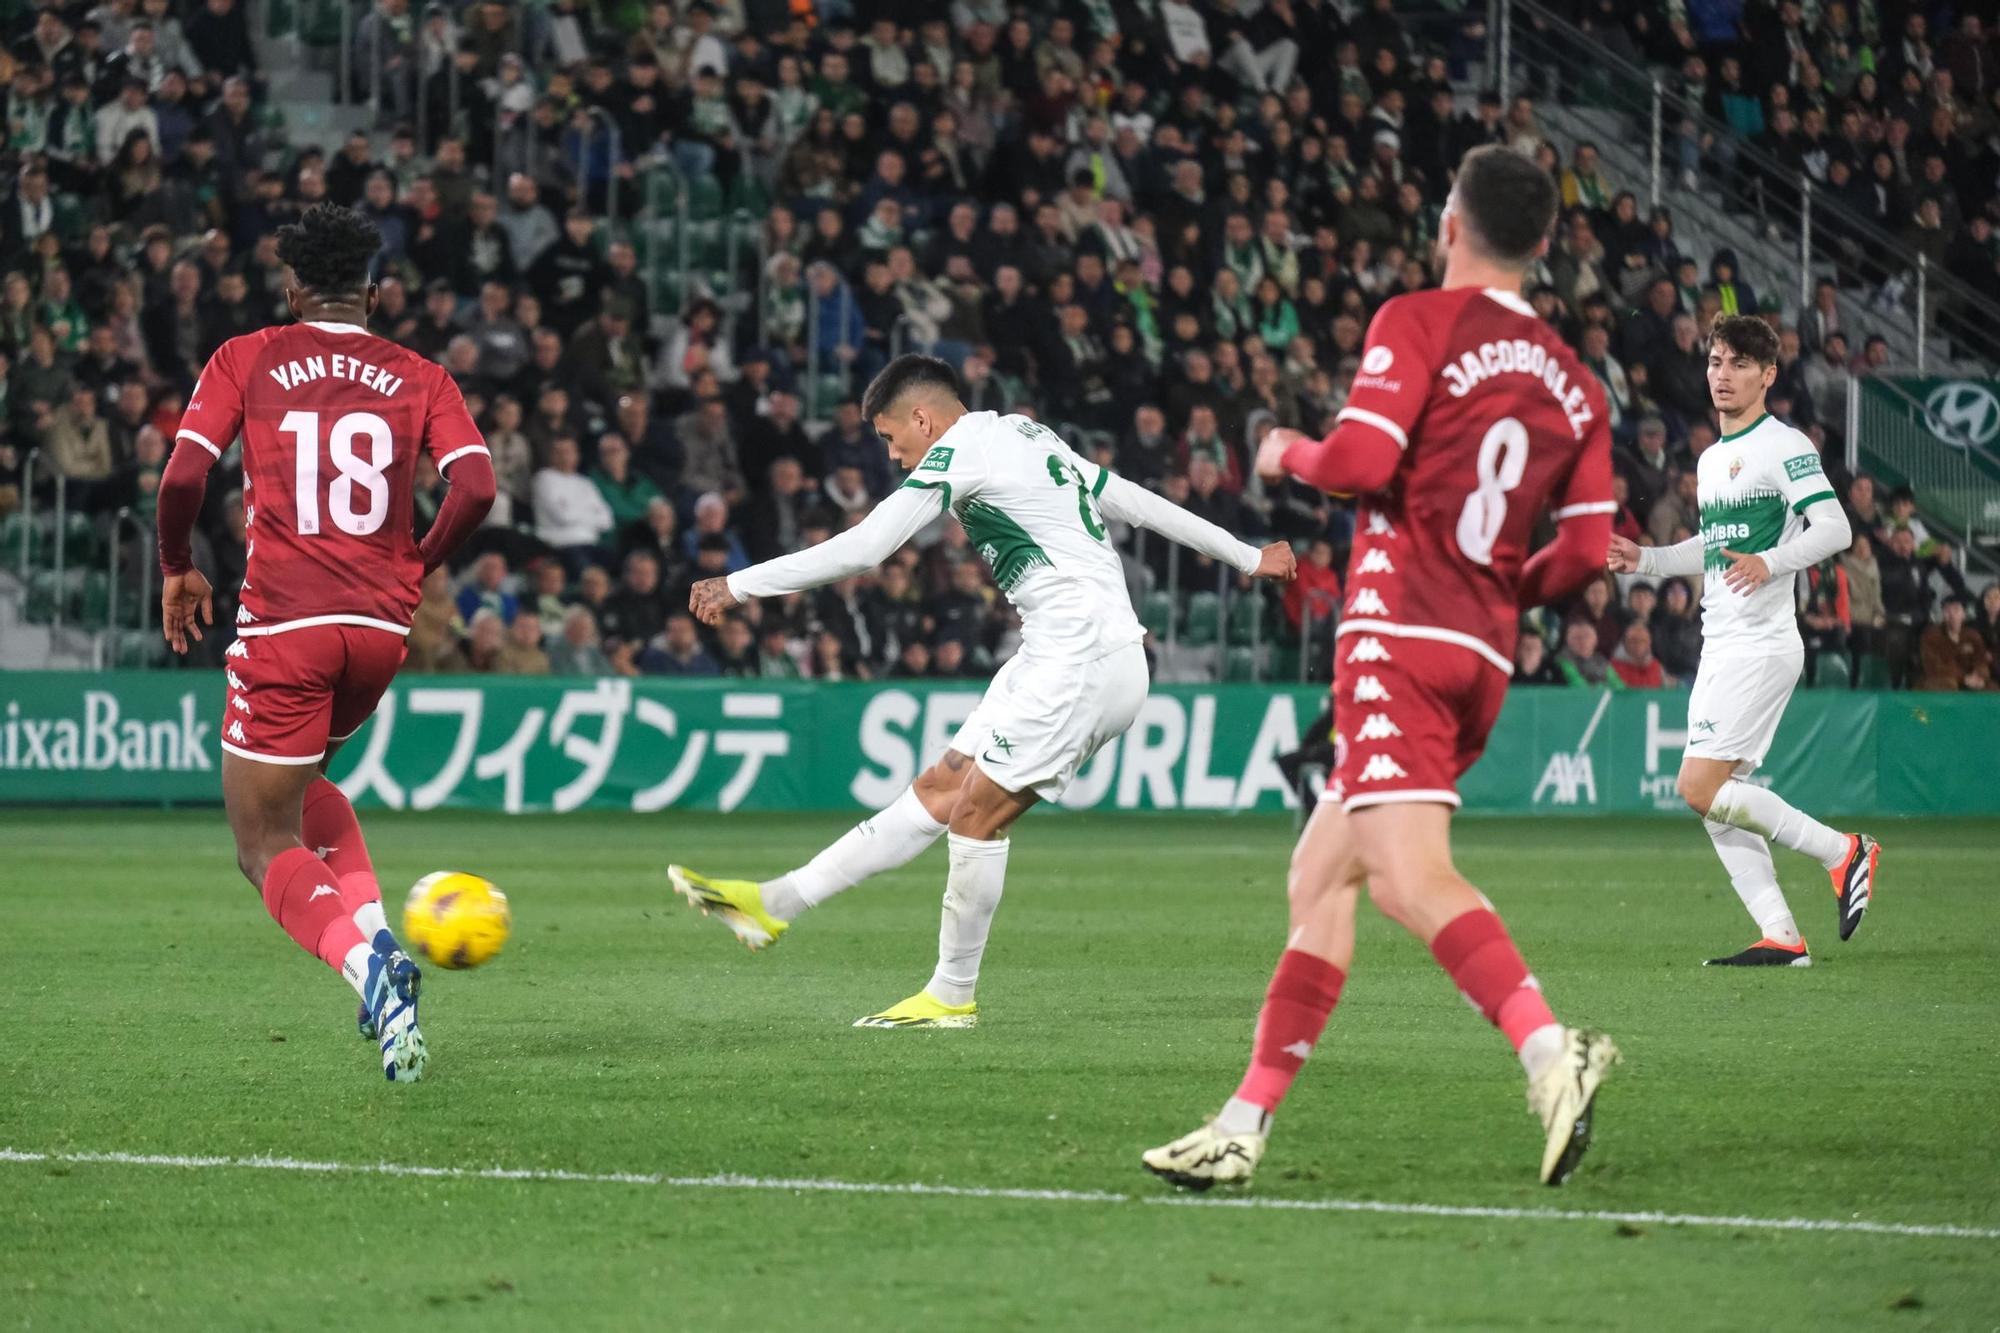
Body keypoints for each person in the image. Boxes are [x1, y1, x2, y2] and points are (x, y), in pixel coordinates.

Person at [1145, 146, 1620, 1193]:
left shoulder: (1416, 319)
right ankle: (1241, 1123)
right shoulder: (1578, 386)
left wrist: (1282, 451)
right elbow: (1586, 554)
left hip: (1395, 629)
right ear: (1541, 246)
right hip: (1481, 651)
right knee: (1321, 874)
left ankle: (1550, 1048)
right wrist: (1497, 593)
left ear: (1449, 223)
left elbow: (1358, 464)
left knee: (1408, 874)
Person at [670, 353, 1294, 1028]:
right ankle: (775, 904)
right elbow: (1130, 499)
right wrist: (1247, 553)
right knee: (943, 788)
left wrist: (739, 583)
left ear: (921, 416)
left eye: (891, 437)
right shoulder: (1028, 435)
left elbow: (867, 546)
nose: (895, 455)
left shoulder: (963, 447)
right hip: (1060, 653)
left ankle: (951, 992)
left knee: (977, 813)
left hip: (1080, 656)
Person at [155, 204, 495, 1084]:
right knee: (307, 793)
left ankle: (369, 972)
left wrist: (177, 564)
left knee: (261, 840)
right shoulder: (419, 373)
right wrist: (418, 559)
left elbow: (186, 472)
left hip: (287, 623)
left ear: (293, 288)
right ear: (372, 295)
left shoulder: (249, 354)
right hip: (379, 629)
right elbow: (477, 484)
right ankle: (383, 945)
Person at [1608, 314, 1877, 969]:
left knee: (1697, 787)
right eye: (1714, 362)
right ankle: (1781, 934)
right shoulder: (1710, 457)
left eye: (1736, 364)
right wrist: (1644, 559)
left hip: (1760, 645)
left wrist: (1773, 561)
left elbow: (1835, 528)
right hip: (1722, 640)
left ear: (1768, 374)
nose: (1721, 375)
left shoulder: (1784, 446)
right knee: (1719, 803)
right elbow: (1714, 544)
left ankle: (1844, 852)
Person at [1918, 598, 1995, 691]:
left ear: (1964, 614)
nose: (1952, 615)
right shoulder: (1931, 635)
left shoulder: (1973, 635)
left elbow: (1980, 660)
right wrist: (1963, 678)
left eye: (1956, 610)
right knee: (1947, 685)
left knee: (1991, 688)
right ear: (1943, 614)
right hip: (1941, 679)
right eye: (1947, 611)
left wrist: (1979, 675)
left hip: (1970, 680)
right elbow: (1932, 667)